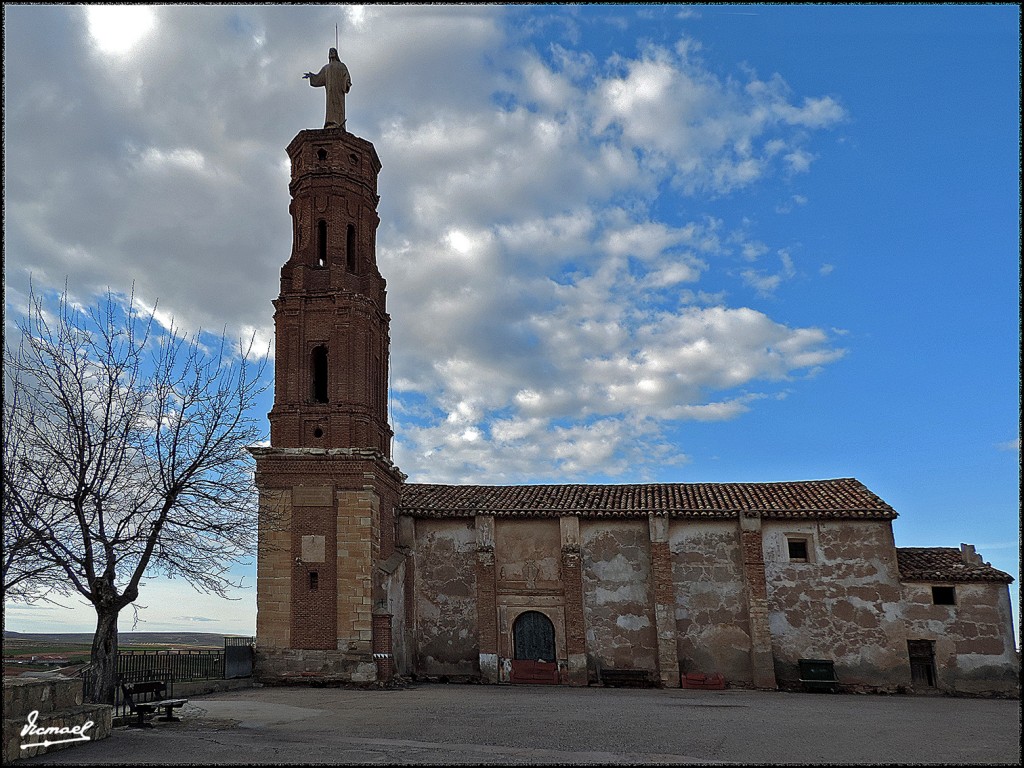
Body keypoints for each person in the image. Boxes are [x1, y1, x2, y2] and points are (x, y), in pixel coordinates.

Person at [303, 48, 352, 129]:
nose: (332, 53)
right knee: (330, 106)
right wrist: (312, 76)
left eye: (333, 52)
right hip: (330, 90)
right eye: (330, 52)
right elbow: (319, 77)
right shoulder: (326, 67)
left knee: (339, 106)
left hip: (339, 90)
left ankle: (340, 123)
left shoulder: (341, 65)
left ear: (336, 54)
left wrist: (347, 82)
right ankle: (330, 122)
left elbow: (346, 75)